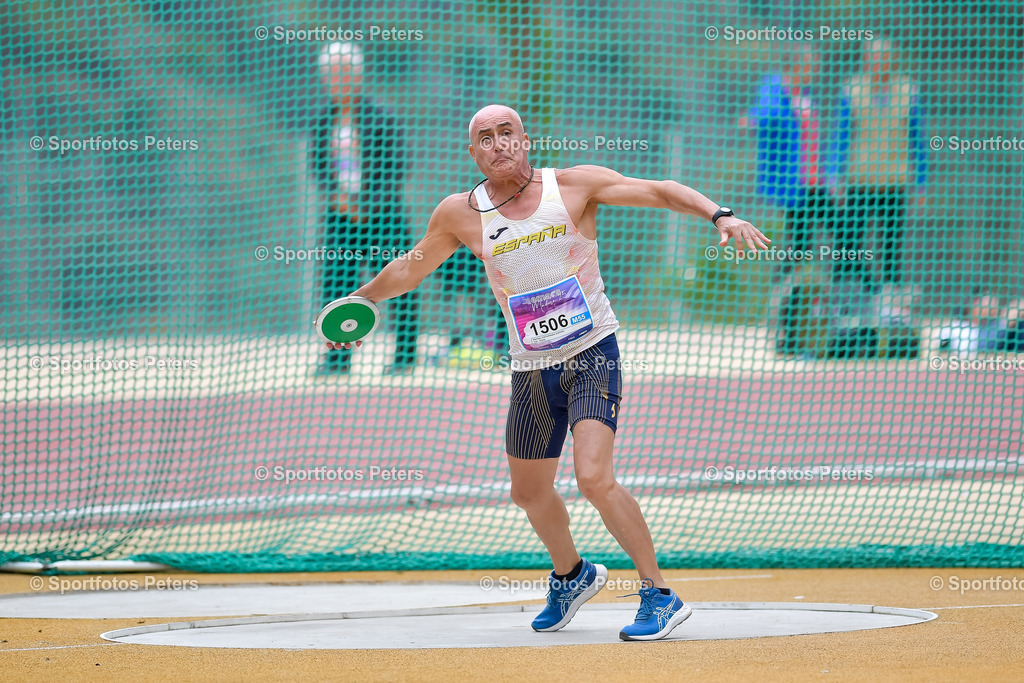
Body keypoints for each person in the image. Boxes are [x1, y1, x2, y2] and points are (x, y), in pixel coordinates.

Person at [325, 104, 770, 640]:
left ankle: (658, 593)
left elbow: (661, 189)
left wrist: (720, 215)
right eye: (485, 138)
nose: (498, 144)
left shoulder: (574, 187)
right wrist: (359, 301)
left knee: (593, 478)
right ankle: (573, 575)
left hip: (591, 354)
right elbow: (412, 265)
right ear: (474, 154)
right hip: (532, 369)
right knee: (530, 492)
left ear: (526, 140)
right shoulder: (459, 213)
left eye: (506, 133)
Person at [311, 41, 419, 375]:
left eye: (345, 71)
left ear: (358, 75)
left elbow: (397, 167)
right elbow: (318, 166)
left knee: (400, 281)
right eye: (332, 73)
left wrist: (368, 206)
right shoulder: (322, 121)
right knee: (337, 286)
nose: (339, 78)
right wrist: (337, 199)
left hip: (383, 217)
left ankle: (404, 356)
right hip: (341, 220)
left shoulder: (381, 119)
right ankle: (337, 359)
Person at [834, 36, 927, 290]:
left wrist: (921, 181)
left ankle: (890, 295)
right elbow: (840, 135)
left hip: (894, 181)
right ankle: (851, 293)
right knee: (850, 241)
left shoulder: (909, 91)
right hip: (859, 179)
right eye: (873, 57)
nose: (878, 62)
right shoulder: (851, 89)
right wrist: (835, 175)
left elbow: (918, 139)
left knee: (891, 244)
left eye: (883, 57)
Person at [741, 43, 839, 276]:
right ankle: (787, 290)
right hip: (795, 184)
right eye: (810, 65)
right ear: (797, 65)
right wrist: (754, 119)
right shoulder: (775, 88)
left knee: (841, 233)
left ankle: (852, 287)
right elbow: (765, 115)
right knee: (802, 242)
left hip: (816, 182)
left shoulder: (806, 95)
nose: (815, 70)